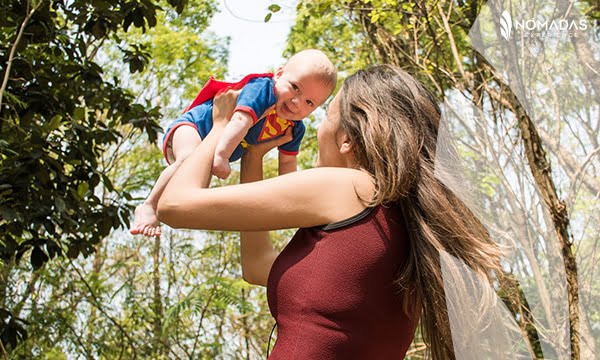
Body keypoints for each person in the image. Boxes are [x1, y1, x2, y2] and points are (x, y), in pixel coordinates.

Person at [156, 65, 503, 359]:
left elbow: (175, 206)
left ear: (347, 139)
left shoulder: (349, 187)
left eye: (325, 115)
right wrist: (254, 156)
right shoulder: (398, 221)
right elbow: (258, 266)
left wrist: (219, 127)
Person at [130, 49, 337, 237]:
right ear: (279, 74)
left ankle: (167, 208)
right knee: (187, 159)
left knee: (195, 187)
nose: (297, 102)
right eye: (295, 88)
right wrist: (222, 156)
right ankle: (149, 205)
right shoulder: (263, 90)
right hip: (195, 126)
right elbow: (239, 121)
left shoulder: (294, 128)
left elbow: (287, 165)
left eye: (309, 102)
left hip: (214, 147)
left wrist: (293, 200)